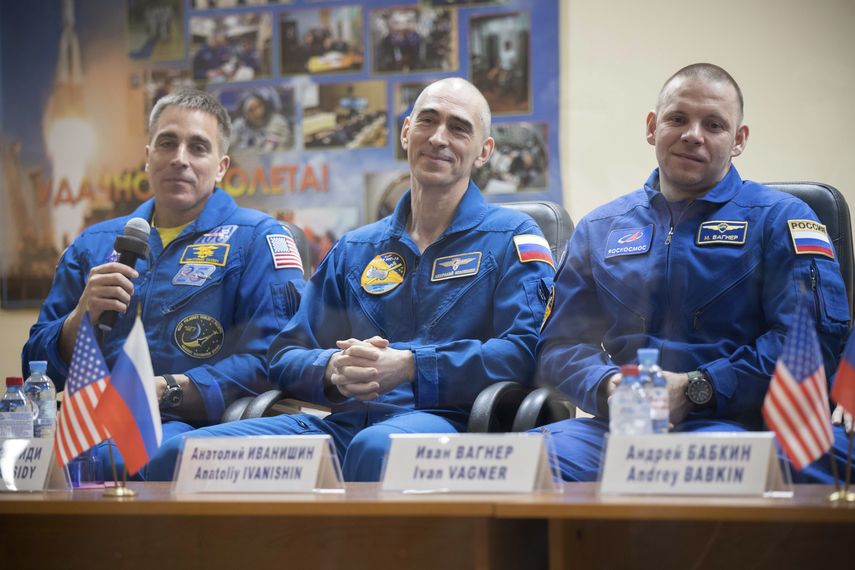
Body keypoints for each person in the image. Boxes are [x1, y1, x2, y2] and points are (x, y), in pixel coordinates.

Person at [147, 77, 555, 481]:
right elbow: (284, 355)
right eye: (428, 121)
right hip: (342, 426)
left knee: (376, 449)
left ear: (484, 152)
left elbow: (522, 353)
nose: (439, 138)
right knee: (179, 456)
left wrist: (412, 366)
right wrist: (332, 369)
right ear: (406, 132)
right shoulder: (355, 249)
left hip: (451, 426)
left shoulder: (513, 237)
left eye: (459, 128)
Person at [536, 63, 852, 484]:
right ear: (652, 127)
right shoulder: (600, 228)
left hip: (739, 424)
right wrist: (610, 386)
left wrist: (696, 388)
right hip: (621, 429)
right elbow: (560, 346)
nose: (693, 135)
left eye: (714, 124)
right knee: (516, 464)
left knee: (703, 474)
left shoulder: (782, 219)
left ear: (738, 140)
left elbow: (807, 345)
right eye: (677, 118)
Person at [22, 88, 305, 478]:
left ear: (221, 166)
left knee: (122, 460)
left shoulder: (257, 239)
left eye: (198, 147)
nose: (179, 159)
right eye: (167, 143)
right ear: (148, 156)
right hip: (87, 423)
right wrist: (79, 317)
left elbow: (274, 360)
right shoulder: (93, 245)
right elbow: (36, 365)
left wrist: (168, 388)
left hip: (191, 426)